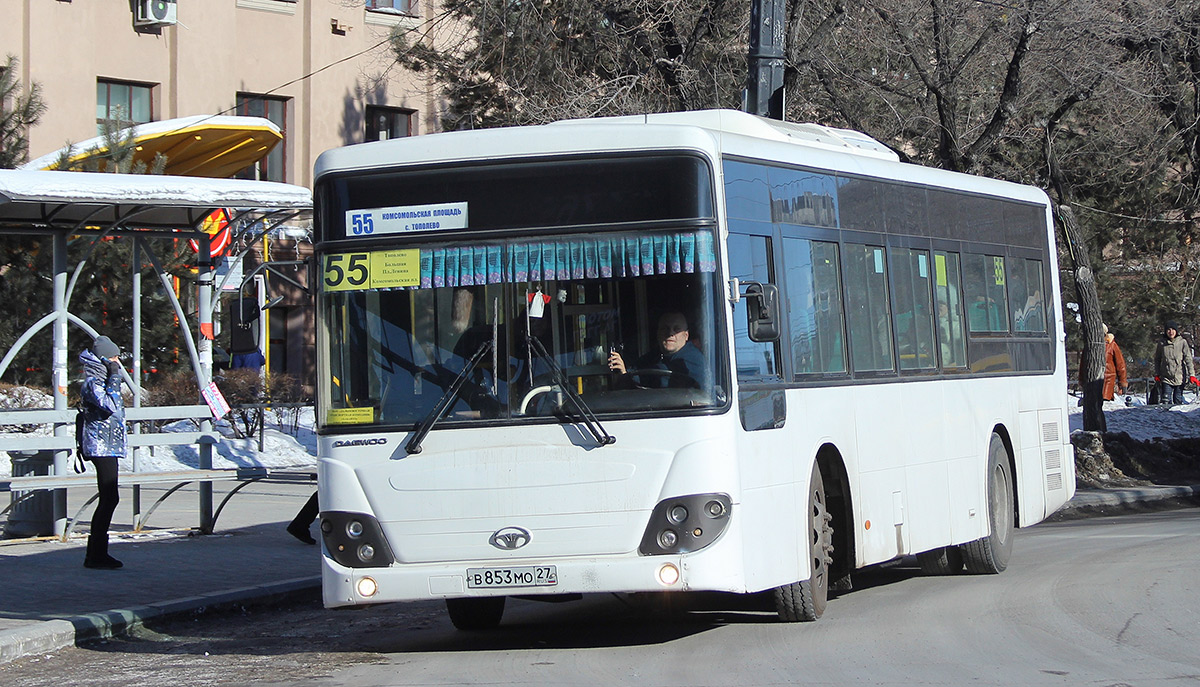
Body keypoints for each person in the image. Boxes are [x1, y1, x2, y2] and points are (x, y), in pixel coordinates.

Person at [78, 335, 127, 570]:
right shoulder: (93, 382)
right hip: (100, 445)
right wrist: (115, 376)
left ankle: (97, 553)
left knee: (110, 497)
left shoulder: (103, 378)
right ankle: (95, 554)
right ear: (104, 359)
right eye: (114, 357)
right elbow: (110, 405)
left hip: (109, 444)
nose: (117, 361)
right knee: (109, 496)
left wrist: (113, 375)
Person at [607, 311, 709, 391]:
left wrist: (628, 376)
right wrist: (623, 372)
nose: (670, 333)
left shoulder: (694, 358)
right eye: (665, 328)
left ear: (686, 336)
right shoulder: (655, 355)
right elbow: (637, 368)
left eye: (676, 329)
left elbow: (658, 379)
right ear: (658, 333)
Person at [1079, 324, 1128, 401]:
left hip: (1107, 381)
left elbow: (1120, 365)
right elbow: (1083, 364)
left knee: (1103, 403)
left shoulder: (1111, 345)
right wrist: (1082, 380)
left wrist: (1122, 383)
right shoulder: (1089, 344)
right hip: (1091, 382)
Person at [1153, 320, 1197, 405]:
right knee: (1166, 400)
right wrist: (1157, 374)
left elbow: (1188, 359)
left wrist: (1192, 375)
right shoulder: (1162, 343)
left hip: (1179, 377)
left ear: (1176, 331)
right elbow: (1157, 359)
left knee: (1178, 400)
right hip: (1166, 377)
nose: (1171, 332)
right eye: (1168, 330)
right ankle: (1167, 418)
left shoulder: (1182, 342)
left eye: (1173, 329)